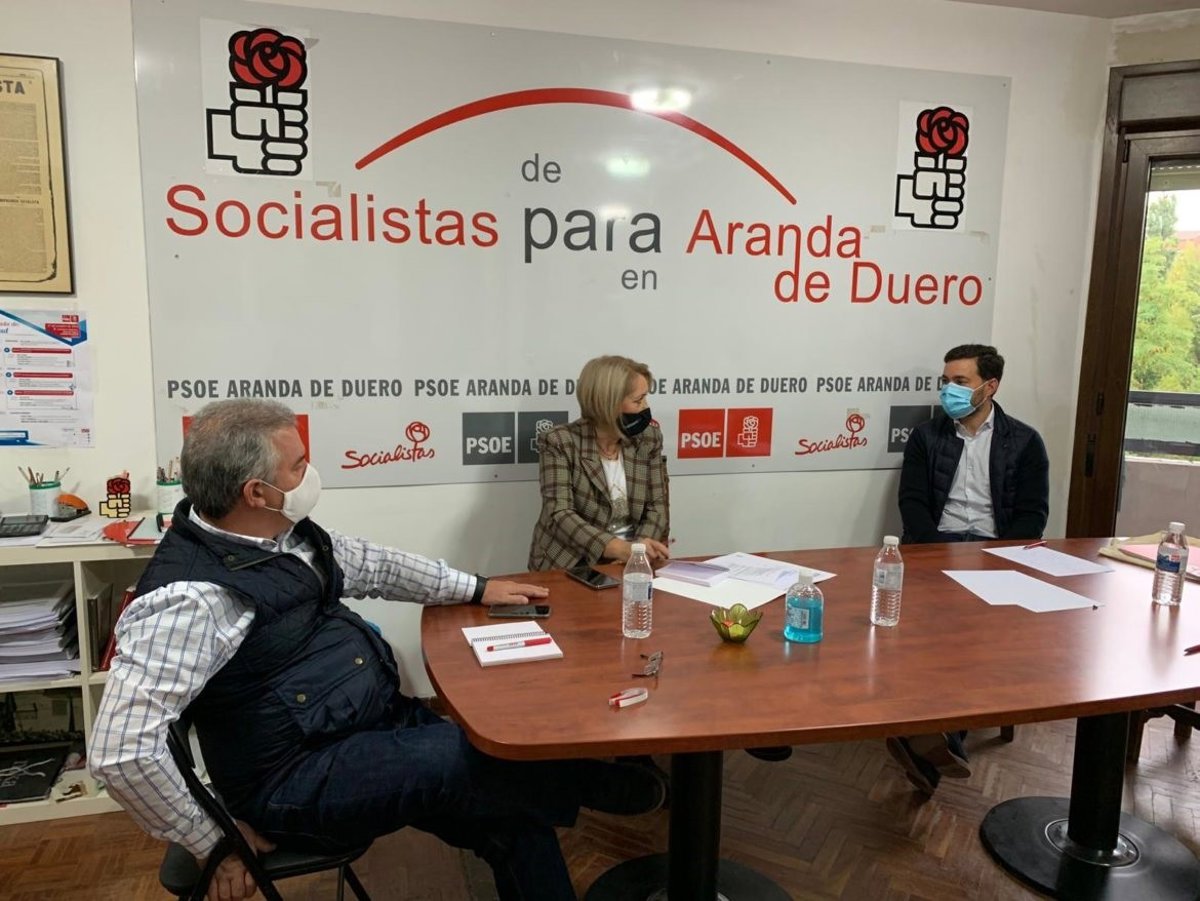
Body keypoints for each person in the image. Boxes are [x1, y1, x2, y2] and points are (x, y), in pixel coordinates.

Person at [90, 399, 664, 901]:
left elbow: (376, 565)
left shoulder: (280, 533)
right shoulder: (190, 599)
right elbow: (120, 752)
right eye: (297, 465)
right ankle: (591, 783)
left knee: (511, 817)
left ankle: (573, 788)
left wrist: (477, 587)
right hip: (295, 779)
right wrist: (214, 840)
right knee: (467, 756)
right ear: (256, 492)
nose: (310, 472)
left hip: (362, 727)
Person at [888, 343, 1049, 794]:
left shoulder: (1025, 442)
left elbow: (1032, 516)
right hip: (935, 549)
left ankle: (929, 739)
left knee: (968, 636)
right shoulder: (926, 437)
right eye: (946, 381)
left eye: (960, 382)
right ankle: (939, 740)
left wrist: (994, 561)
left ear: (989, 386)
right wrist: (939, 555)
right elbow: (912, 504)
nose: (948, 390)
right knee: (932, 632)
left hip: (994, 554)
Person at [528, 355, 670, 571]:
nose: (646, 407)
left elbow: (657, 506)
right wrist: (619, 549)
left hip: (633, 559)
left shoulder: (649, 438)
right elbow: (560, 513)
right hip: (572, 561)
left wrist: (638, 552)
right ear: (608, 405)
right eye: (638, 401)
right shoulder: (559, 441)